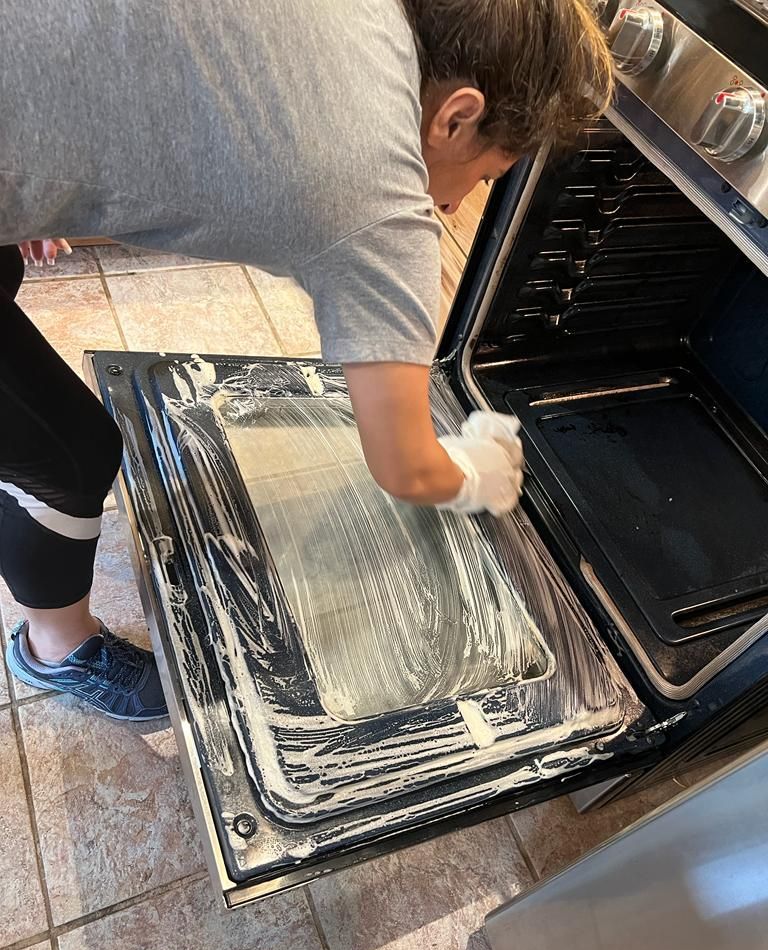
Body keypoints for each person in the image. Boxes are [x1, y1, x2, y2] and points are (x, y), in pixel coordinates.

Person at [0, 0, 612, 720]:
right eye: (484, 175)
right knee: (70, 459)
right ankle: (55, 649)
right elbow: (406, 468)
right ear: (455, 118)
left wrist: (45, 171)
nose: (455, 209)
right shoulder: (378, 198)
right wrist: (479, 471)